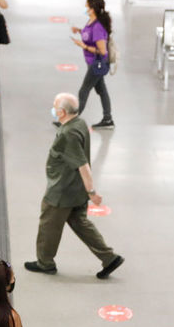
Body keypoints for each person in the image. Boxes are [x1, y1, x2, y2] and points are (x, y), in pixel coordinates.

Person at [25, 94, 125, 279]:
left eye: (55, 106)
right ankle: (109, 257)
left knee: (48, 225)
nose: (53, 109)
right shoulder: (79, 123)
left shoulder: (68, 133)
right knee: (80, 223)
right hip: (76, 189)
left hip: (62, 190)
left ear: (62, 112)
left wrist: (92, 192)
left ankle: (45, 263)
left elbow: (83, 165)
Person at [70, 0, 115, 130]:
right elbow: (88, 34)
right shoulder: (91, 21)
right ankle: (108, 119)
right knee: (101, 90)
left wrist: (83, 46)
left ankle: (70, 120)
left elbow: (102, 50)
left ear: (92, 9)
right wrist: (79, 30)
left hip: (98, 63)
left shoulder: (97, 27)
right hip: (93, 62)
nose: (85, 8)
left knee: (84, 90)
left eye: (87, 6)